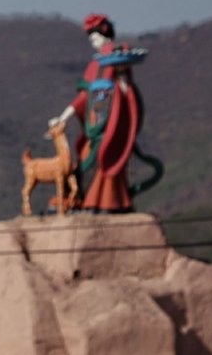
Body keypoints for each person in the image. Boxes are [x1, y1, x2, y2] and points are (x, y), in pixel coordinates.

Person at [48, 13, 152, 213]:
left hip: (112, 125)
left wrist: (121, 75)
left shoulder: (116, 58)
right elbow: (85, 97)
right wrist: (64, 117)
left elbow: (124, 92)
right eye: (91, 40)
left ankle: (107, 202)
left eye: (95, 38)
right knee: (87, 158)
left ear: (105, 35)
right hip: (96, 123)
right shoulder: (96, 64)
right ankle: (81, 198)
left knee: (107, 160)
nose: (94, 44)